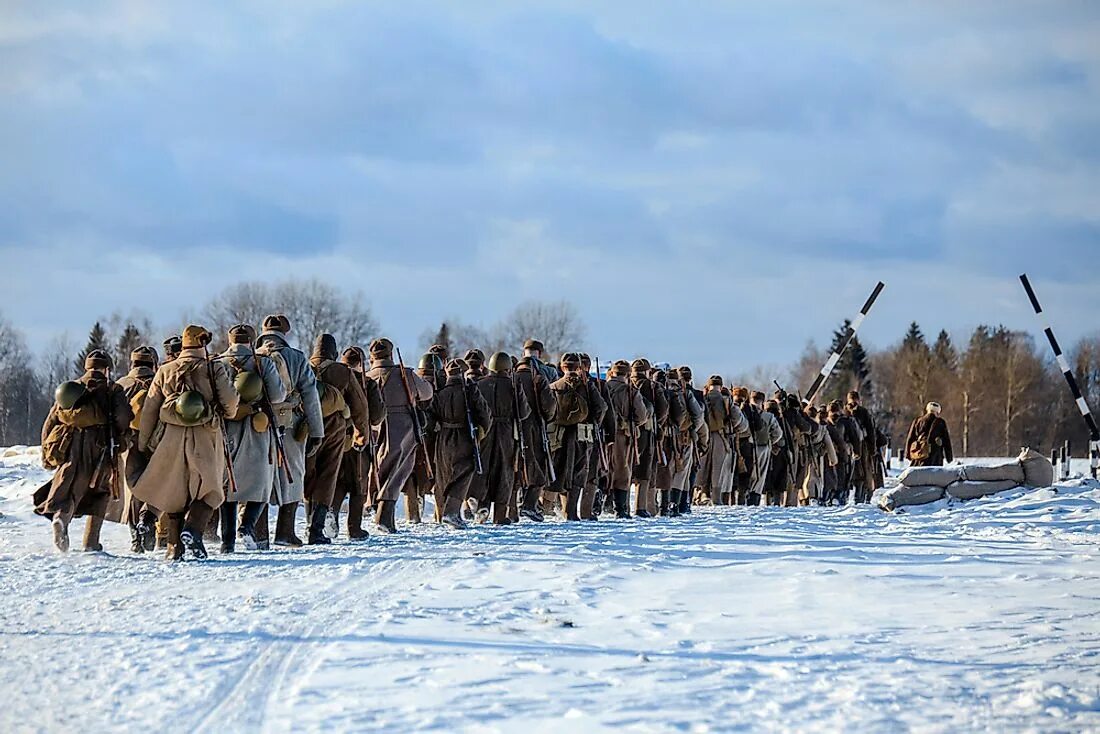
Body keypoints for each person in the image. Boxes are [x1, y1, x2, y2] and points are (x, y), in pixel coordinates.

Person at [132, 325, 239, 560]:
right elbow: (230, 408)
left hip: (171, 437)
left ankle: (173, 547)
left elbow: (150, 409)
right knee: (211, 492)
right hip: (206, 436)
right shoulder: (214, 368)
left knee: (175, 491)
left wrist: (145, 443)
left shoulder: (165, 370)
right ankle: (193, 531)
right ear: (203, 343)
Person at [35, 349, 133, 553]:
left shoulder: (71, 389)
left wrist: (46, 451)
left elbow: (51, 420)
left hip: (70, 445)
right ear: (107, 369)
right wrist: (121, 434)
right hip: (101, 446)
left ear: (86, 367)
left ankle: (61, 519)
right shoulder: (112, 389)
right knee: (100, 491)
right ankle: (91, 542)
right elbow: (123, 418)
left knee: (69, 487)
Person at [254, 314, 325, 547]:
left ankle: (259, 533)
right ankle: (285, 532)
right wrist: (316, 431)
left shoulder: (253, 357)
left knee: (260, 475)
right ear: (285, 333)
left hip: (258, 423)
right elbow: (311, 395)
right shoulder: (296, 357)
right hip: (290, 423)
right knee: (292, 475)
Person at [215, 325, 287, 553]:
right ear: (251, 341)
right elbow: (277, 396)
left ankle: (227, 542)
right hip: (258, 424)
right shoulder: (262, 362)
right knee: (261, 483)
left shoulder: (217, 362)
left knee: (228, 485)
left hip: (226, 426)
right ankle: (246, 527)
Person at [303, 334, 372, 545]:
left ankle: (307, 523)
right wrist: (362, 434)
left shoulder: (304, 367)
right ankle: (316, 530)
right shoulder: (343, 372)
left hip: (305, 428)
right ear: (334, 352)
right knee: (327, 476)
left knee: (309, 474)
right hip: (335, 430)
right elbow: (360, 407)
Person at [365, 337, 434, 533]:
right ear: (390, 353)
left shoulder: (368, 376)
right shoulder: (405, 374)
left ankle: (377, 507)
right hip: (402, 426)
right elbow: (427, 393)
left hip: (375, 427)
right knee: (398, 470)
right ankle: (384, 517)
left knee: (379, 467)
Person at [104, 345, 160, 553]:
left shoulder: (121, 385)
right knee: (157, 483)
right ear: (153, 363)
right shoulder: (160, 381)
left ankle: (136, 535)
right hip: (157, 441)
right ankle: (150, 519)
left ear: (132, 363)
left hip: (129, 442)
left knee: (132, 489)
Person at [469, 352, 530, 524]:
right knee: (505, 472)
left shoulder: (479, 384)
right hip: (506, 432)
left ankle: (482, 505)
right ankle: (500, 515)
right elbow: (524, 413)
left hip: (484, 430)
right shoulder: (512, 386)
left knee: (484, 468)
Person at [331, 346, 385, 539]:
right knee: (358, 484)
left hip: (334, 436)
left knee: (337, 480)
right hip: (359, 437)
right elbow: (376, 416)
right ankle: (354, 528)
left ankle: (331, 513)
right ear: (361, 363)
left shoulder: (333, 378)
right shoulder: (367, 382)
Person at [430, 359, 491, 528]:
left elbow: (430, 418)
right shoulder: (470, 390)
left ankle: (443, 512)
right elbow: (484, 413)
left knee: (444, 474)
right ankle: (451, 512)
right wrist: (482, 431)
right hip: (465, 436)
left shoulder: (440, 393)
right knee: (465, 471)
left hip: (444, 437)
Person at [514, 351, 557, 521]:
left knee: (515, 467)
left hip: (513, 428)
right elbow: (549, 406)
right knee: (539, 468)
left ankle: (513, 508)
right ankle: (529, 505)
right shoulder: (538, 379)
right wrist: (547, 418)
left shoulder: (512, 379)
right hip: (534, 427)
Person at [905, 401, 954, 467]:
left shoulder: (917, 421)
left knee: (918, 474)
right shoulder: (940, 422)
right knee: (934, 475)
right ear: (938, 411)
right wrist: (949, 457)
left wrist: (908, 454)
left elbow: (910, 438)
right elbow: (946, 441)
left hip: (920, 455)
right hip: (935, 457)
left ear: (927, 409)